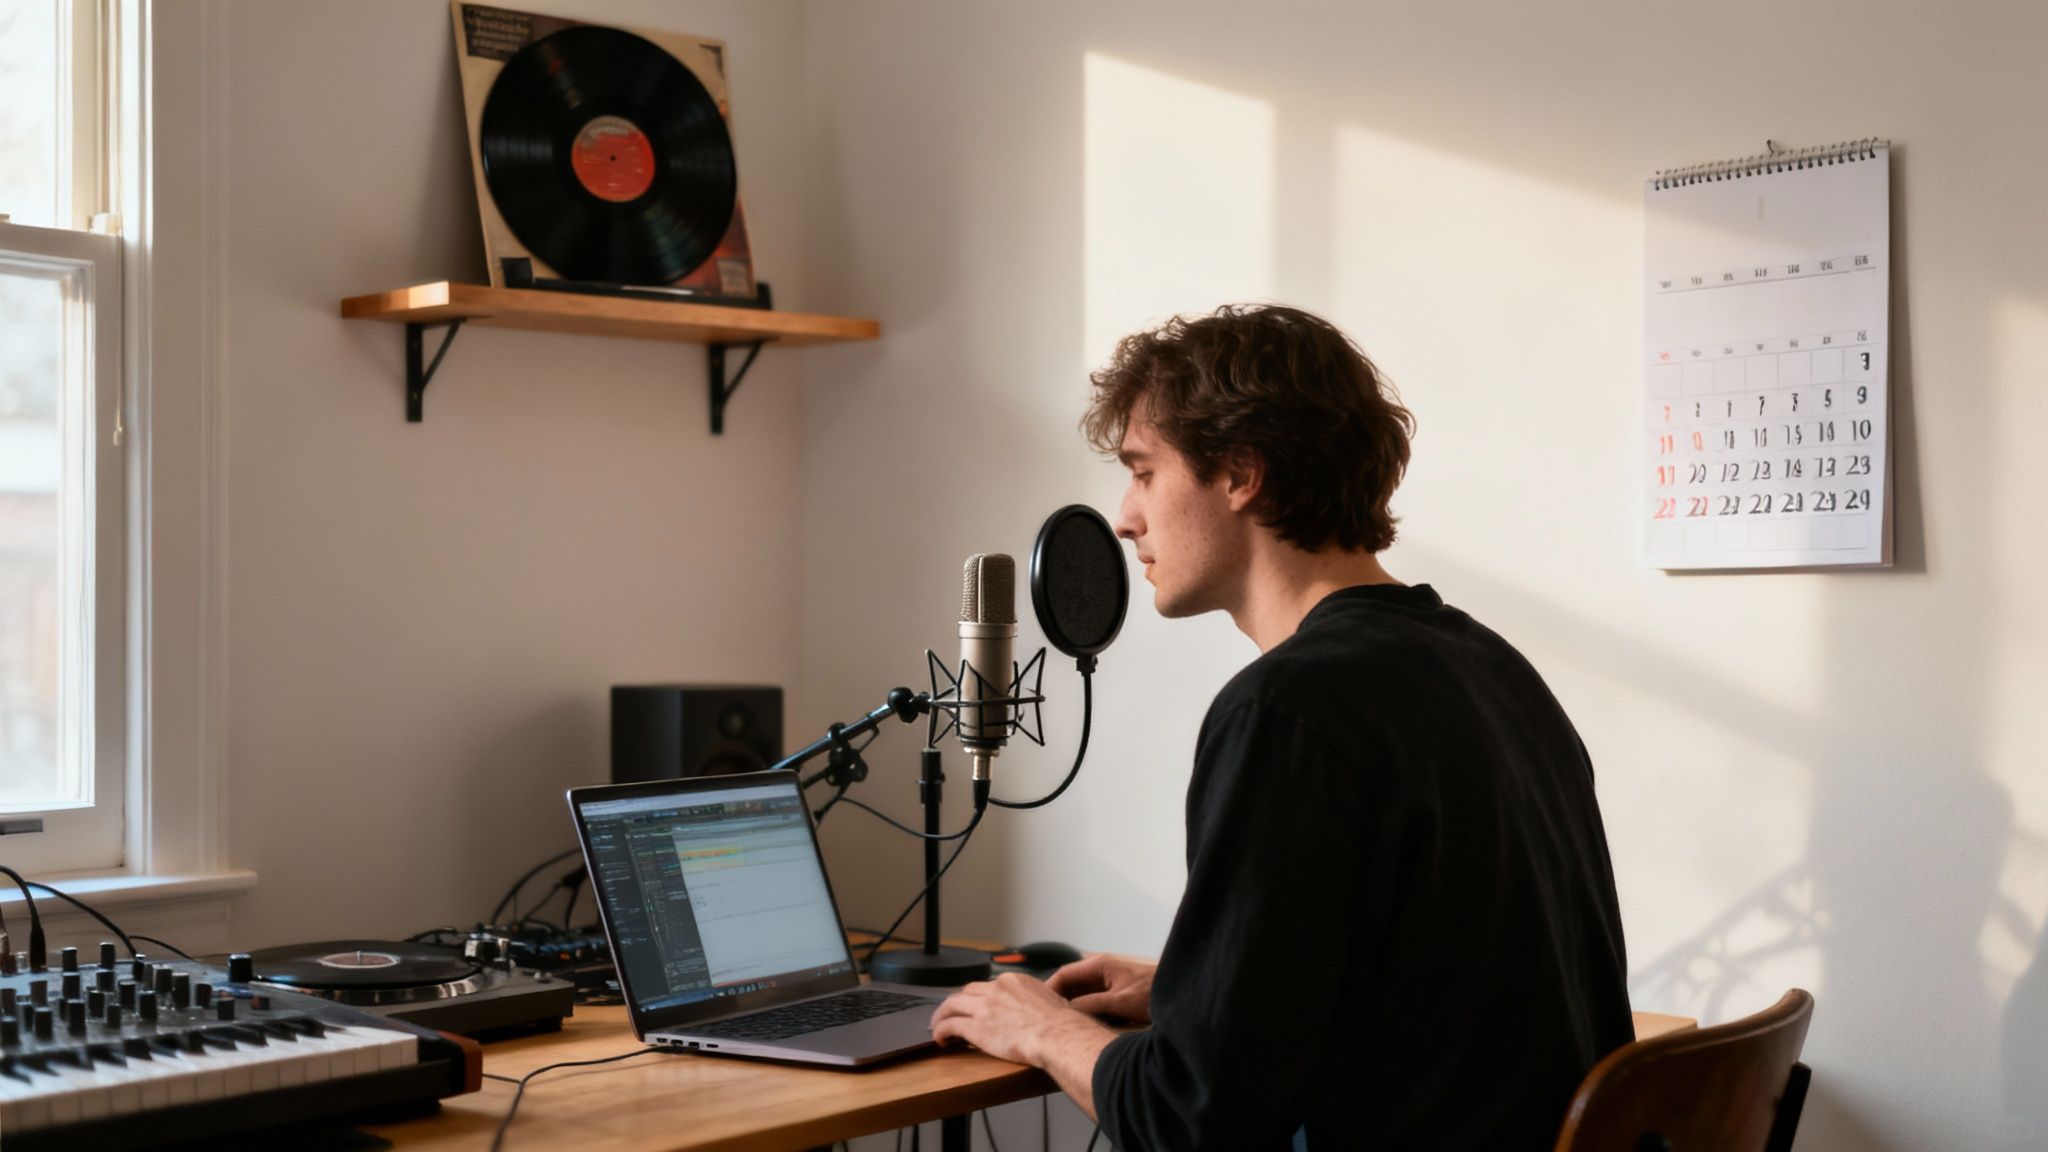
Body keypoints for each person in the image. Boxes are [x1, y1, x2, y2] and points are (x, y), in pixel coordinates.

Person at [929, 304, 1633, 1149]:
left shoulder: (1287, 710)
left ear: (1239, 475)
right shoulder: (1491, 668)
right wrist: (1198, 991)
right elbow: (1455, 975)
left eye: (1144, 472)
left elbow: (1192, 1120)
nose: (1123, 518)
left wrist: (1045, 1029)